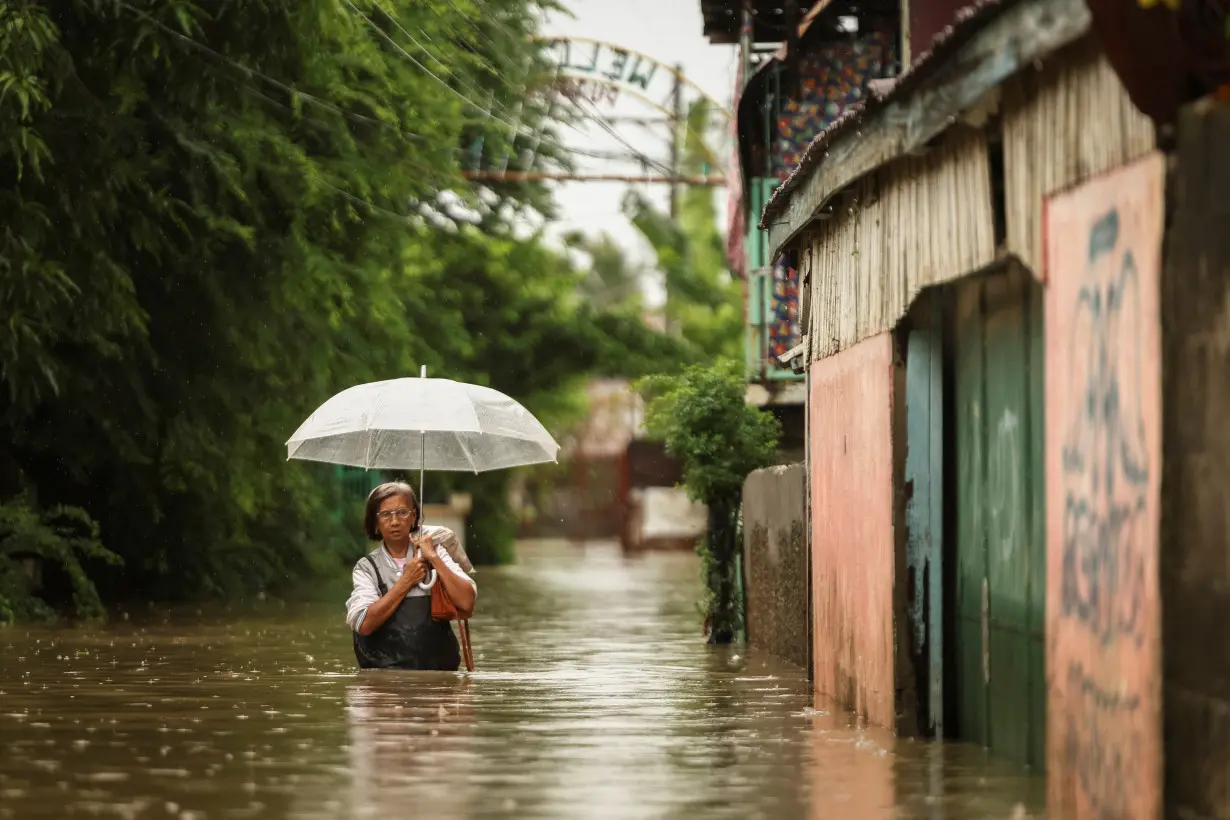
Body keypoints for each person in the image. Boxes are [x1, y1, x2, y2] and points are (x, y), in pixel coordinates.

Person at [346, 482, 477, 670]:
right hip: (386, 686)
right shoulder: (367, 568)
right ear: (375, 523)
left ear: (414, 516)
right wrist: (406, 581)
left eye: (402, 512)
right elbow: (364, 623)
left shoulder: (435, 552)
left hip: (438, 682)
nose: (395, 521)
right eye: (385, 514)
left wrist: (434, 559)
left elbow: (467, 602)